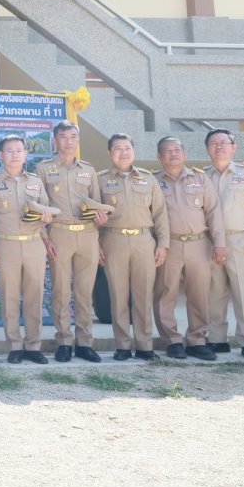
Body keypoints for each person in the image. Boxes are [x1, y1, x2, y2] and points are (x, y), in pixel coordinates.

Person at [35, 120, 108, 363]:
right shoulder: (43, 169)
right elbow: (38, 208)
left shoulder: (89, 170)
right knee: (61, 291)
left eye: (73, 136)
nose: (69, 141)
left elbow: (96, 204)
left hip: (87, 234)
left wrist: (100, 224)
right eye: (64, 137)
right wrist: (45, 238)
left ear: (78, 140)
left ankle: (85, 343)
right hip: (60, 233)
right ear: (54, 140)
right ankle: (64, 342)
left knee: (84, 292)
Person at [0, 135, 54, 364]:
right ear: (0, 155)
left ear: (26, 154)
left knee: (35, 296)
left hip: (34, 244)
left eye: (19, 150)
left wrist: (46, 225)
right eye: (9, 151)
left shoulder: (36, 182)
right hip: (6, 245)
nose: (14, 155)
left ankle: (33, 346)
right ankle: (14, 345)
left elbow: (45, 213)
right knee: (9, 297)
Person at [97, 133, 169, 361]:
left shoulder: (148, 179)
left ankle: (145, 345)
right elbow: (91, 216)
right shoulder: (100, 180)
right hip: (113, 240)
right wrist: (96, 244)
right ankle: (123, 346)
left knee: (143, 295)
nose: (123, 152)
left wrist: (163, 244)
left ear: (134, 151)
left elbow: (160, 214)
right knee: (118, 295)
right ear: (109, 153)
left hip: (143, 241)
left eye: (127, 148)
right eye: (118, 148)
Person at [151, 137, 223, 361]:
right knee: (165, 293)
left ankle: (197, 340)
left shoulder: (199, 178)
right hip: (168, 244)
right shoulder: (152, 181)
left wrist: (219, 243)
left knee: (199, 293)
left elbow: (214, 212)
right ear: (159, 156)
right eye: (167, 150)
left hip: (198, 243)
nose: (173, 153)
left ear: (184, 153)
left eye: (177, 149)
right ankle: (172, 340)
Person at [204, 129, 244, 361]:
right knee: (214, 292)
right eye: (214, 143)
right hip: (210, 241)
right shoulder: (201, 176)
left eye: (224, 142)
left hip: (239, 239)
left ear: (233, 147)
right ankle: (217, 339)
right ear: (207, 148)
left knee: (243, 292)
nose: (219, 146)